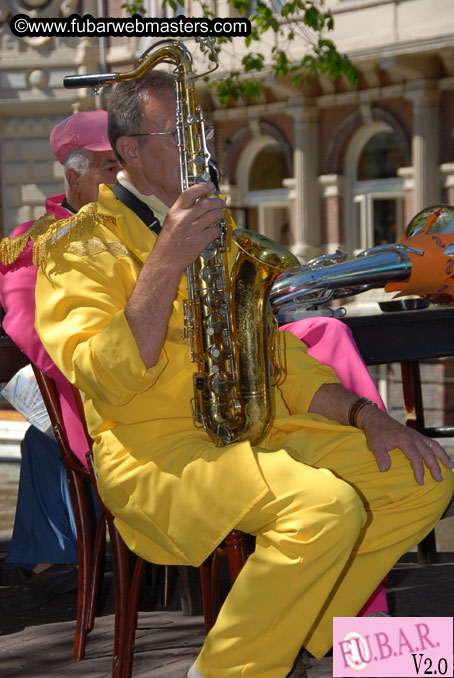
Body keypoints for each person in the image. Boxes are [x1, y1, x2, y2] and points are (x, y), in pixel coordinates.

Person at [33, 71, 453, 678]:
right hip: (154, 456)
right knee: (325, 508)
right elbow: (105, 378)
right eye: (181, 135)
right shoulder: (74, 247)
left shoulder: (217, 238)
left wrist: (369, 417)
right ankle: (232, 668)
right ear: (129, 151)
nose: (201, 149)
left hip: (249, 432)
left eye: (200, 131)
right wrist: (168, 260)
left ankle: (292, 641)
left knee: (424, 479)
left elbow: (281, 359)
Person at [0, 110, 119, 610]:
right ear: (74, 173)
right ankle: (59, 562)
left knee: (38, 442)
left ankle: (57, 561)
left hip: (154, 381)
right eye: (109, 166)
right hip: (93, 385)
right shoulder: (33, 240)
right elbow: (29, 328)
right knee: (46, 438)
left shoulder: (147, 224)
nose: (122, 176)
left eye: (123, 163)